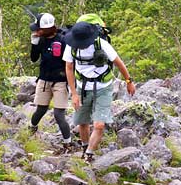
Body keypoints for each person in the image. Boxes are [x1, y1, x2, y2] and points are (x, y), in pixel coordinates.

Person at [63, 20, 135, 163]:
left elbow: (118, 62)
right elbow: (69, 68)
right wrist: (74, 94)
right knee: (82, 122)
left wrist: (129, 82)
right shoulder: (71, 47)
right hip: (82, 88)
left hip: (103, 87)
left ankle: (89, 154)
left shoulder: (101, 44)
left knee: (99, 125)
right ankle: (85, 148)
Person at [28, 13, 73, 151]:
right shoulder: (40, 39)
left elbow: (70, 63)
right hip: (44, 80)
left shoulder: (63, 40)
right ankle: (32, 129)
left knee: (59, 114)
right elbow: (34, 58)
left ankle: (67, 143)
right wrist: (34, 44)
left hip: (60, 82)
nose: (36, 31)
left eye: (38, 29)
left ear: (47, 29)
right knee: (40, 109)